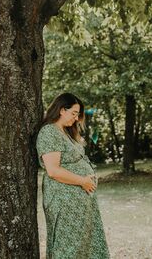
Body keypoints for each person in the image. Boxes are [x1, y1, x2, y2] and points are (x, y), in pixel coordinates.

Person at [36, 92, 110, 259]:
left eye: (78, 115)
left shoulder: (65, 132)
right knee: (68, 248)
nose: (76, 119)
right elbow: (53, 170)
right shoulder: (49, 132)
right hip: (64, 201)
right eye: (74, 113)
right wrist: (83, 181)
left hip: (79, 202)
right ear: (62, 110)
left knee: (83, 246)